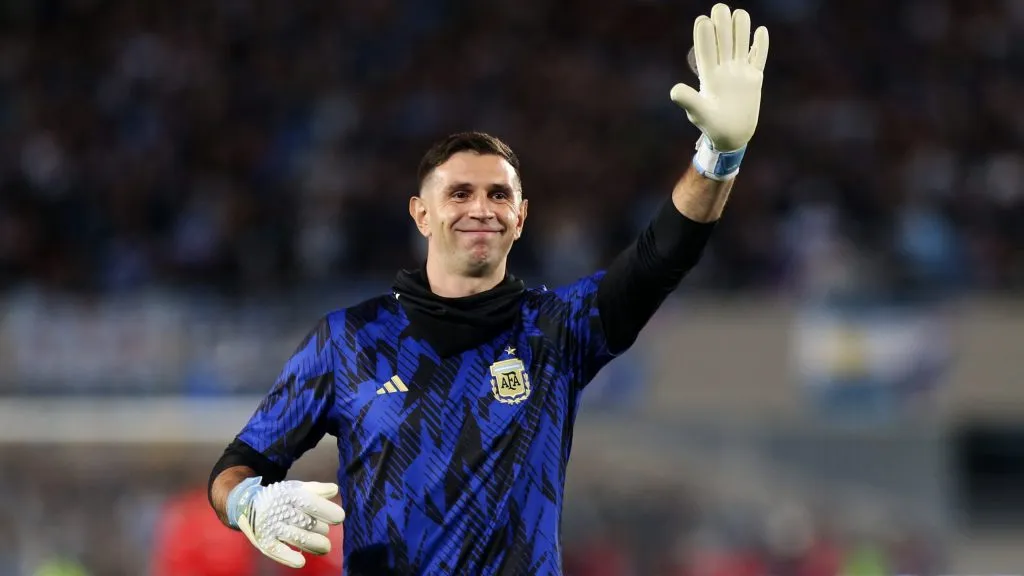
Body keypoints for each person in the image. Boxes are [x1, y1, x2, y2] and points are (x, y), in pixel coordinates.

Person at [207, 4, 770, 574]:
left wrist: (719, 157)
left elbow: (660, 257)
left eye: (499, 195)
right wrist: (248, 501)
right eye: (460, 194)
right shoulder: (348, 340)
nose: (481, 209)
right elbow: (237, 466)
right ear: (420, 214)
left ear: (521, 217)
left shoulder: (556, 330)